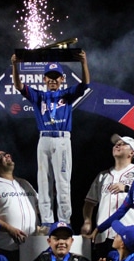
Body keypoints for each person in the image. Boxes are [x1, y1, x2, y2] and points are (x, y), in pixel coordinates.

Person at [10, 51, 91, 228]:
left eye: (56, 77)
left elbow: (85, 83)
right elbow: (18, 85)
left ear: (62, 79)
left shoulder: (68, 94)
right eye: (49, 77)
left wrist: (84, 63)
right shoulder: (39, 96)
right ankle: (47, 222)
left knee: (62, 181)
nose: (53, 80)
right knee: (43, 180)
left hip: (62, 139)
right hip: (44, 139)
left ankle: (64, 222)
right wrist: (15, 66)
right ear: (44, 79)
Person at [81, 134, 134, 261]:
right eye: (116, 144)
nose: (117, 145)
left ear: (132, 152)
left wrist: (126, 188)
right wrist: (87, 221)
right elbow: (89, 202)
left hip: (126, 236)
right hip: (102, 235)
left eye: (123, 144)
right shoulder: (103, 175)